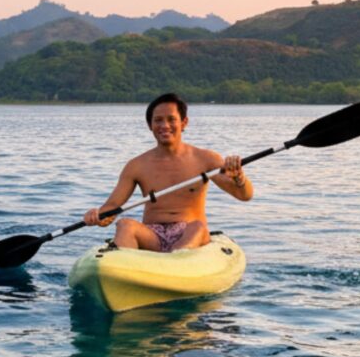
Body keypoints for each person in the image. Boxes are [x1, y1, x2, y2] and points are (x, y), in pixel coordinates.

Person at [83, 93, 252, 252]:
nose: (164, 126)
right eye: (158, 120)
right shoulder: (136, 165)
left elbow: (244, 195)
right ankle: (126, 266)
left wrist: (239, 178)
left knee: (198, 227)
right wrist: (98, 216)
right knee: (125, 225)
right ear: (150, 125)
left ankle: (177, 260)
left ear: (184, 122)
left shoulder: (206, 159)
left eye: (171, 119)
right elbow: (112, 206)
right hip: (152, 235)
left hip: (189, 232)